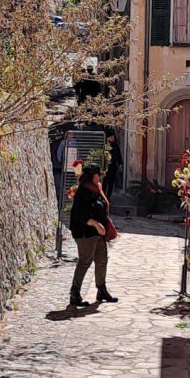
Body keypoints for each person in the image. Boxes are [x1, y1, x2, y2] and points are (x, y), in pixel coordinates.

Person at [69, 164, 118, 307]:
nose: (100, 177)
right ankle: (75, 293)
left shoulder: (96, 189)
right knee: (85, 261)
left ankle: (101, 290)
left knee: (102, 259)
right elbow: (80, 214)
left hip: (98, 233)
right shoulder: (84, 191)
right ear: (91, 176)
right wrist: (96, 224)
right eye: (97, 175)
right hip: (85, 233)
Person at [102, 129, 123, 199]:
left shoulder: (115, 146)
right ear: (107, 138)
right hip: (105, 167)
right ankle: (103, 197)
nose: (113, 138)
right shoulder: (104, 145)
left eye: (113, 137)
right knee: (104, 183)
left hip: (113, 167)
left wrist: (120, 164)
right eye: (111, 137)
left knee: (111, 183)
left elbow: (118, 155)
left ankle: (108, 197)